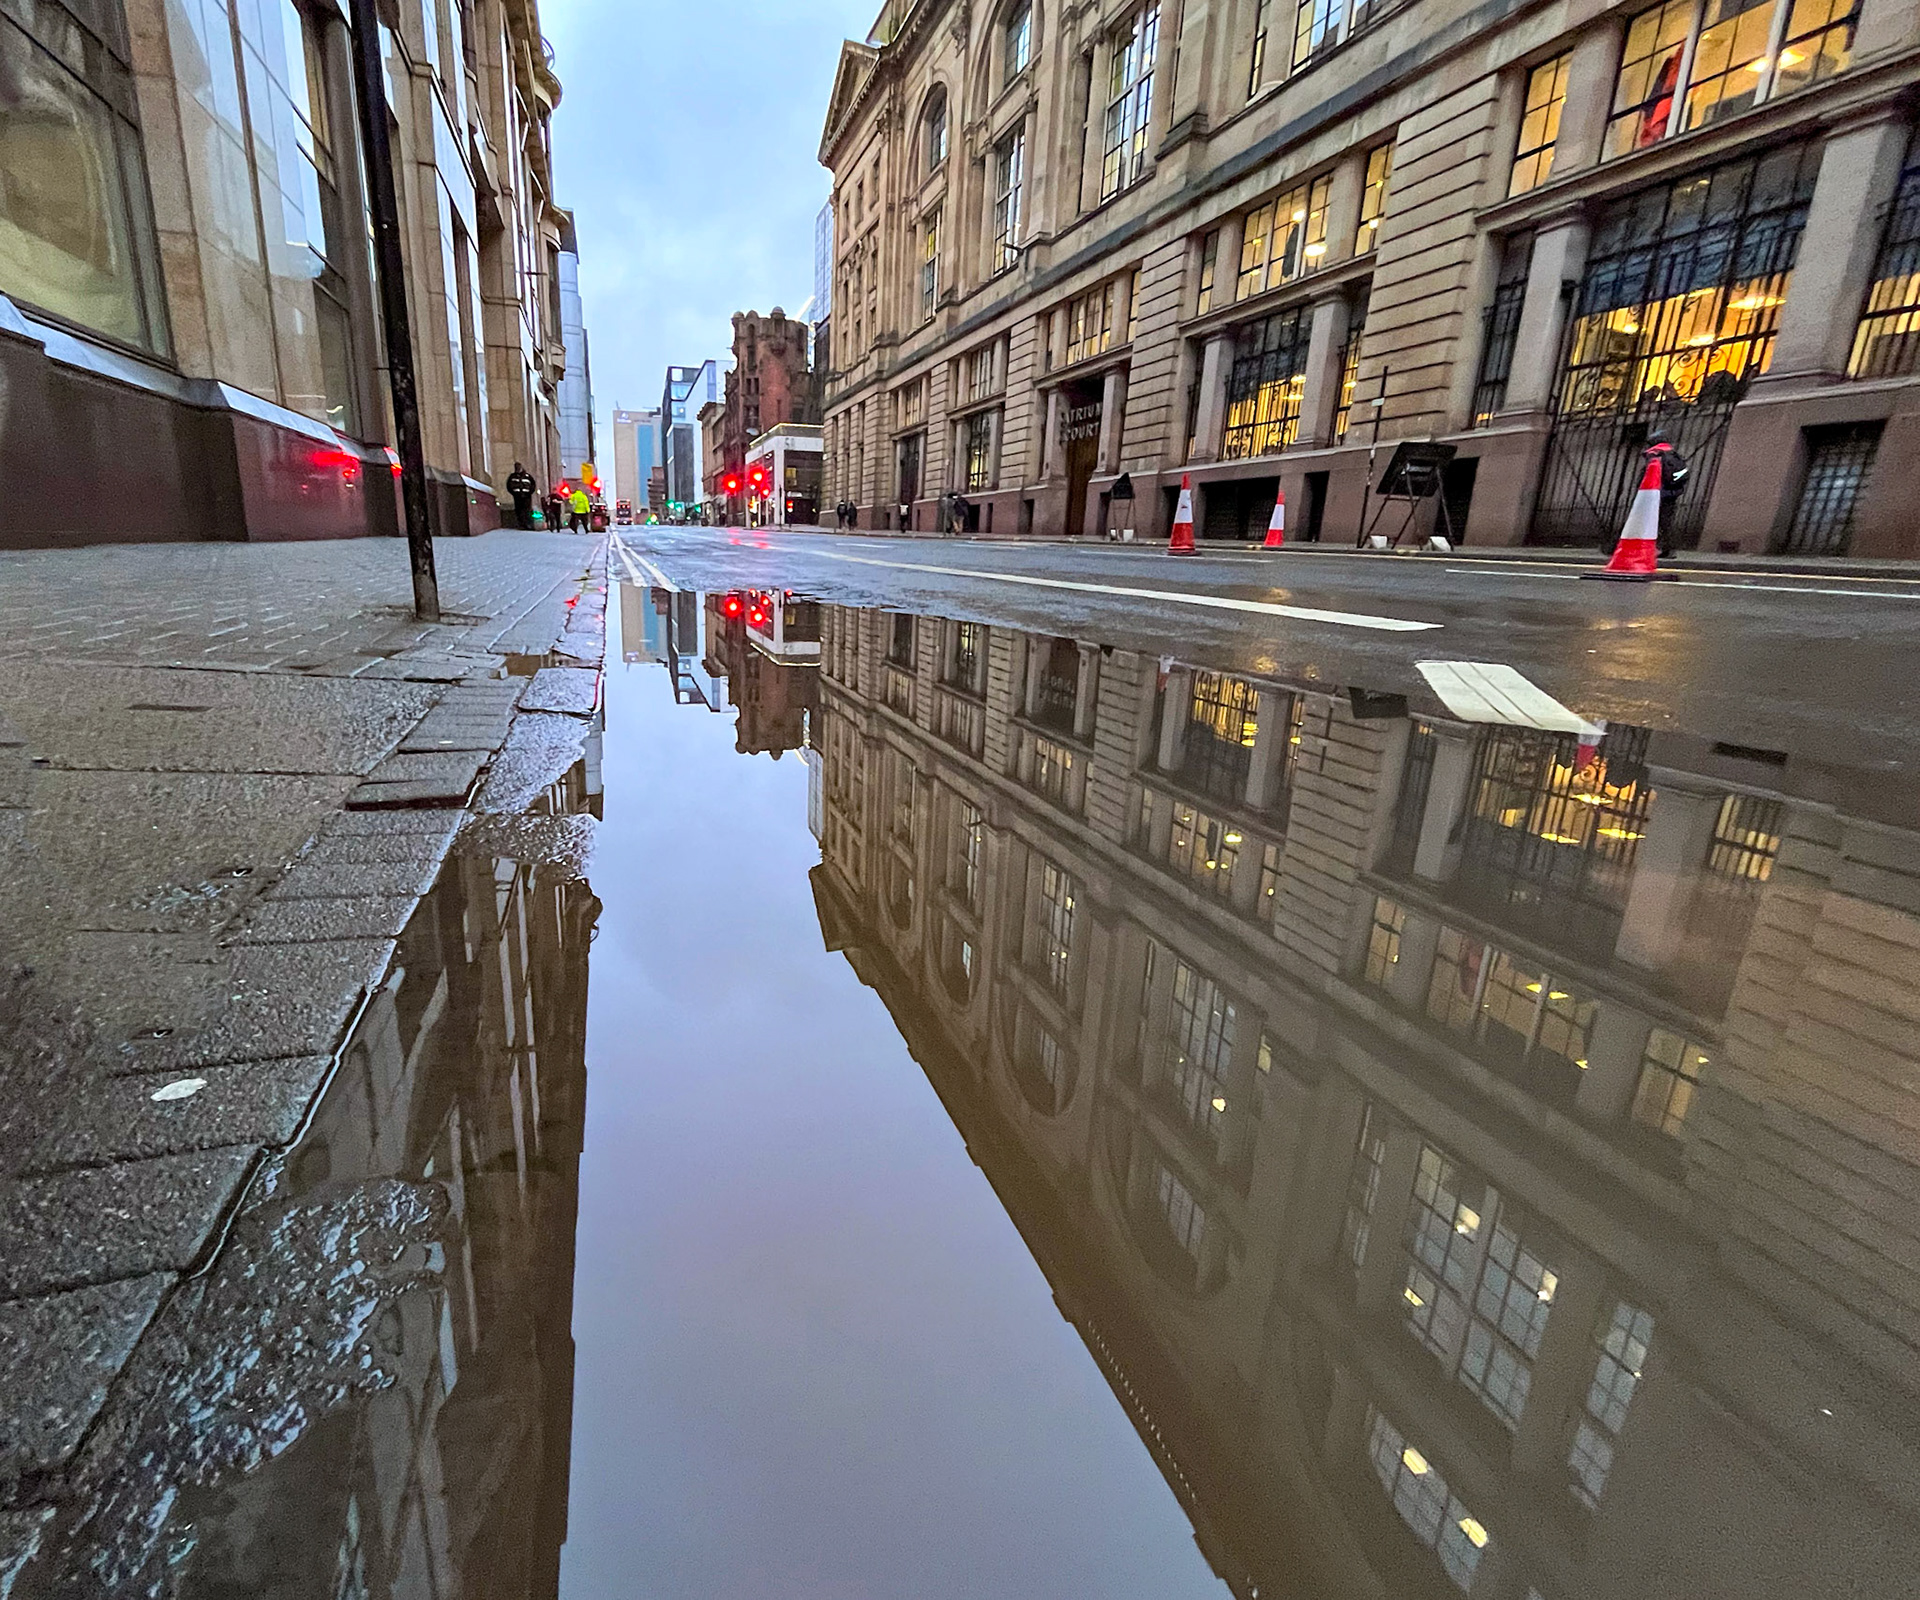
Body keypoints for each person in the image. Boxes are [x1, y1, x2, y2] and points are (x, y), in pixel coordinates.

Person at [1642, 429, 1689, 557]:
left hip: (1656, 493)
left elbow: (1651, 475)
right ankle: (1667, 549)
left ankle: (1657, 548)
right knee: (1665, 521)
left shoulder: (1655, 455)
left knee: (1655, 522)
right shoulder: (1673, 454)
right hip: (1671, 493)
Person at [506, 462, 535, 529]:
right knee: (519, 510)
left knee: (527, 510)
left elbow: (533, 485)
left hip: (526, 497)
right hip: (517, 497)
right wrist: (514, 493)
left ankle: (528, 524)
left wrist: (529, 493)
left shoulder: (528, 476)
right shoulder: (512, 476)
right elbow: (509, 486)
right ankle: (521, 524)